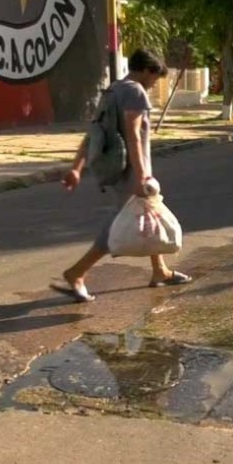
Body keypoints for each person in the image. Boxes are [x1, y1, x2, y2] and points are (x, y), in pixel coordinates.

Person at [57, 49, 192, 302]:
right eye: (154, 77)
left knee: (149, 216)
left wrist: (77, 168)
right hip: (132, 171)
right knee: (120, 224)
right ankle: (76, 272)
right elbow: (133, 135)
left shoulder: (113, 91)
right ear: (146, 70)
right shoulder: (134, 92)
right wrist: (141, 176)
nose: (153, 84)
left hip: (118, 169)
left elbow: (93, 135)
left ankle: (159, 270)